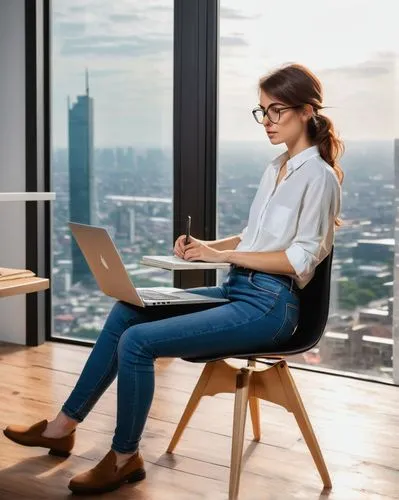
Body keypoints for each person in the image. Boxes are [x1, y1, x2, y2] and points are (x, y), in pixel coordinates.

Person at [3, 63, 343, 495]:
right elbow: (256, 236)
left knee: (138, 342)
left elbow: (298, 262)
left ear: (306, 110)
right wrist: (209, 247)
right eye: (262, 112)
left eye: (276, 111)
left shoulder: (319, 177)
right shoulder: (276, 166)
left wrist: (224, 257)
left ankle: (125, 457)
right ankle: (62, 426)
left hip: (270, 307)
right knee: (127, 310)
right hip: (238, 290)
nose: (267, 123)